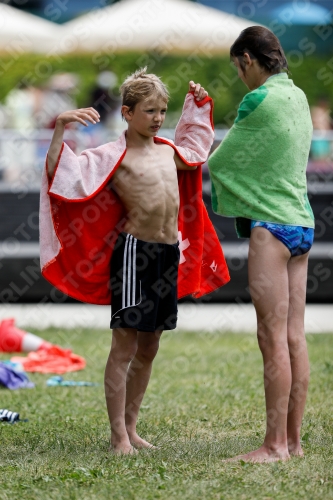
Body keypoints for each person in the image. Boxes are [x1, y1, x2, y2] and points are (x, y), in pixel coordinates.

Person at [40, 68, 230, 454]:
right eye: (149, 111)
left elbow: (196, 148)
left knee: (150, 347)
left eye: (162, 110)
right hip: (134, 255)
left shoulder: (168, 151)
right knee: (124, 347)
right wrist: (60, 126)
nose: (158, 118)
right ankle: (117, 438)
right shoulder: (113, 156)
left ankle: (131, 427)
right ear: (127, 113)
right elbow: (60, 173)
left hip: (166, 254)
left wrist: (196, 104)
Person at [208, 27, 315, 463]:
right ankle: (294, 443)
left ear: (248, 60)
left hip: (270, 228)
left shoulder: (259, 99)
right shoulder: (301, 97)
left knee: (270, 337)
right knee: (294, 336)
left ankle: (273, 447)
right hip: (302, 225)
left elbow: (220, 160)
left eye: (239, 68)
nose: (241, 78)